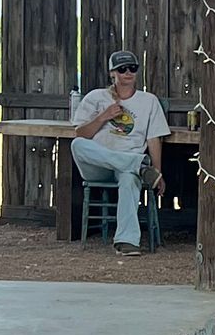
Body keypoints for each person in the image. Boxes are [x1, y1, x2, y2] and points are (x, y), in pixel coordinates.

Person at [69, 49, 168, 254]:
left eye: (132, 68)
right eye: (122, 69)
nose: (128, 73)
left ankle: (127, 241)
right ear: (112, 73)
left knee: (129, 178)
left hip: (129, 166)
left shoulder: (148, 101)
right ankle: (137, 165)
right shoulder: (95, 97)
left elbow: (154, 138)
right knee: (77, 145)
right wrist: (103, 116)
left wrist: (156, 173)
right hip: (99, 163)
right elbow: (81, 133)